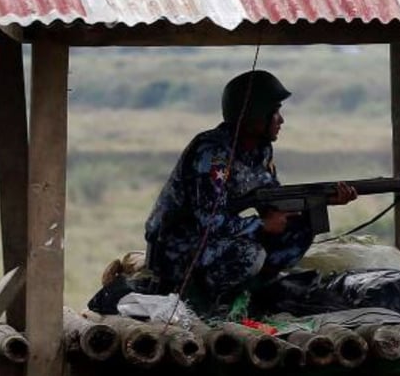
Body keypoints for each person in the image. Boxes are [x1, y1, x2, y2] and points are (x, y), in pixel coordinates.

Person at [143, 70, 357, 311]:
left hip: (216, 241)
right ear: (253, 115)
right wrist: (261, 224)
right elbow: (209, 222)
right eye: (274, 112)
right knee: (250, 254)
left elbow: (273, 198)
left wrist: (320, 200)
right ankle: (201, 301)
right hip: (178, 248)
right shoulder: (212, 153)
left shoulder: (260, 150)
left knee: (300, 228)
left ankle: (253, 290)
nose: (281, 120)